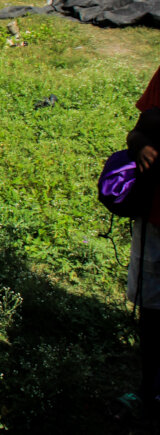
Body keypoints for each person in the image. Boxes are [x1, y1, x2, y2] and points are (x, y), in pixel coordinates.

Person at [124, 66, 160, 420]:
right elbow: (135, 134)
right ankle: (148, 389)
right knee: (153, 310)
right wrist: (141, 146)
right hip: (156, 217)